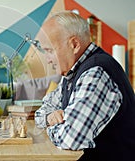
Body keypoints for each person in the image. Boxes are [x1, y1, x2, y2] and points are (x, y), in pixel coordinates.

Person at [34, 11, 135, 161]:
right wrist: (50, 118)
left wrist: (50, 126)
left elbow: (70, 139)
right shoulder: (72, 72)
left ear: (74, 45)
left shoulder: (96, 74)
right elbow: (43, 110)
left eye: (49, 51)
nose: (47, 59)